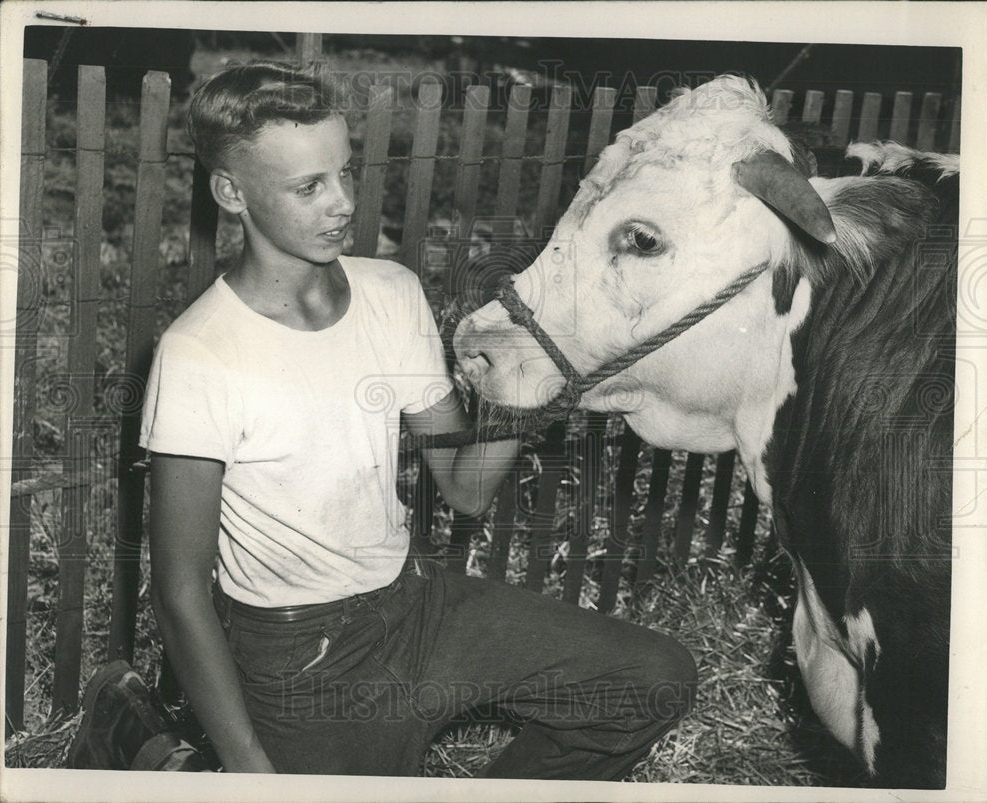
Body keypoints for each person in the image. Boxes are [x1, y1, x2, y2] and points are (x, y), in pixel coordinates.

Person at [136, 61, 696, 777]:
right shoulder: (198, 354)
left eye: (344, 172)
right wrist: (249, 762)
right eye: (309, 186)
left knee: (654, 677)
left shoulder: (390, 292)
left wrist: (533, 389)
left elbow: (462, 486)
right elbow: (181, 590)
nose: (342, 203)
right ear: (231, 193)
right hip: (303, 656)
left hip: (417, 603)